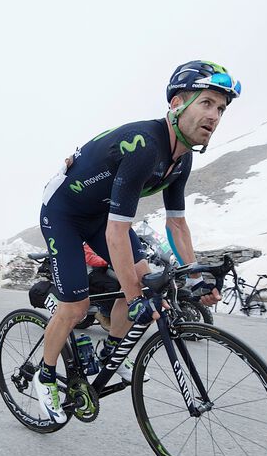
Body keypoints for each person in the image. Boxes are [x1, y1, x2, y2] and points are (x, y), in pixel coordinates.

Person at [33, 60, 233, 423]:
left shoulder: (180, 160)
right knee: (77, 308)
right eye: (206, 103)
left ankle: (113, 352)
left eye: (220, 108)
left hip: (99, 216)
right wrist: (135, 295)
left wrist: (194, 277)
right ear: (176, 105)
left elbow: (178, 225)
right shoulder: (146, 146)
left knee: (140, 284)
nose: (215, 115)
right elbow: (117, 233)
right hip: (63, 213)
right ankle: (44, 377)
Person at [84, 243, 120, 328]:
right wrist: (107, 261)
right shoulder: (91, 239)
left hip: (101, 270)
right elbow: (89, 257)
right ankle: (104, 314)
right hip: (89, 272)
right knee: (113, 286)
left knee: (120, 284)